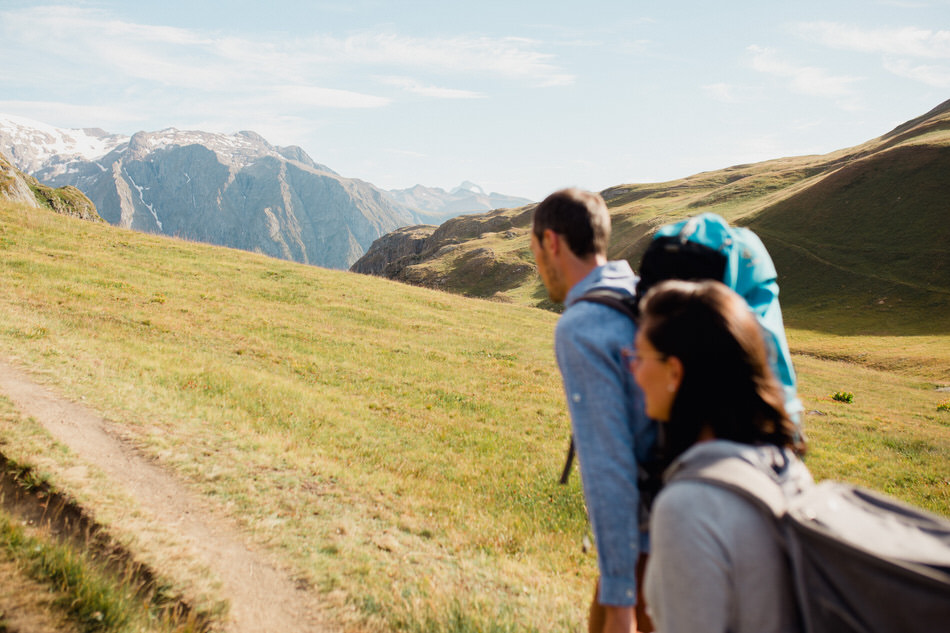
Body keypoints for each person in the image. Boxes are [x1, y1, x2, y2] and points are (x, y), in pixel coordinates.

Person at [629, 279, 811, 633]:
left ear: (674, 372)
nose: (633, 371)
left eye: (639, 356)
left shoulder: (687, 506)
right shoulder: (789, 470)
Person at [530, 188, 656, 633]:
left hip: (651, 547)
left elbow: (608, 465)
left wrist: (621, 596)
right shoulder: (641, 295)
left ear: (551, 243)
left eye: (535, 251)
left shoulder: (583, 326)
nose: (538, 267)